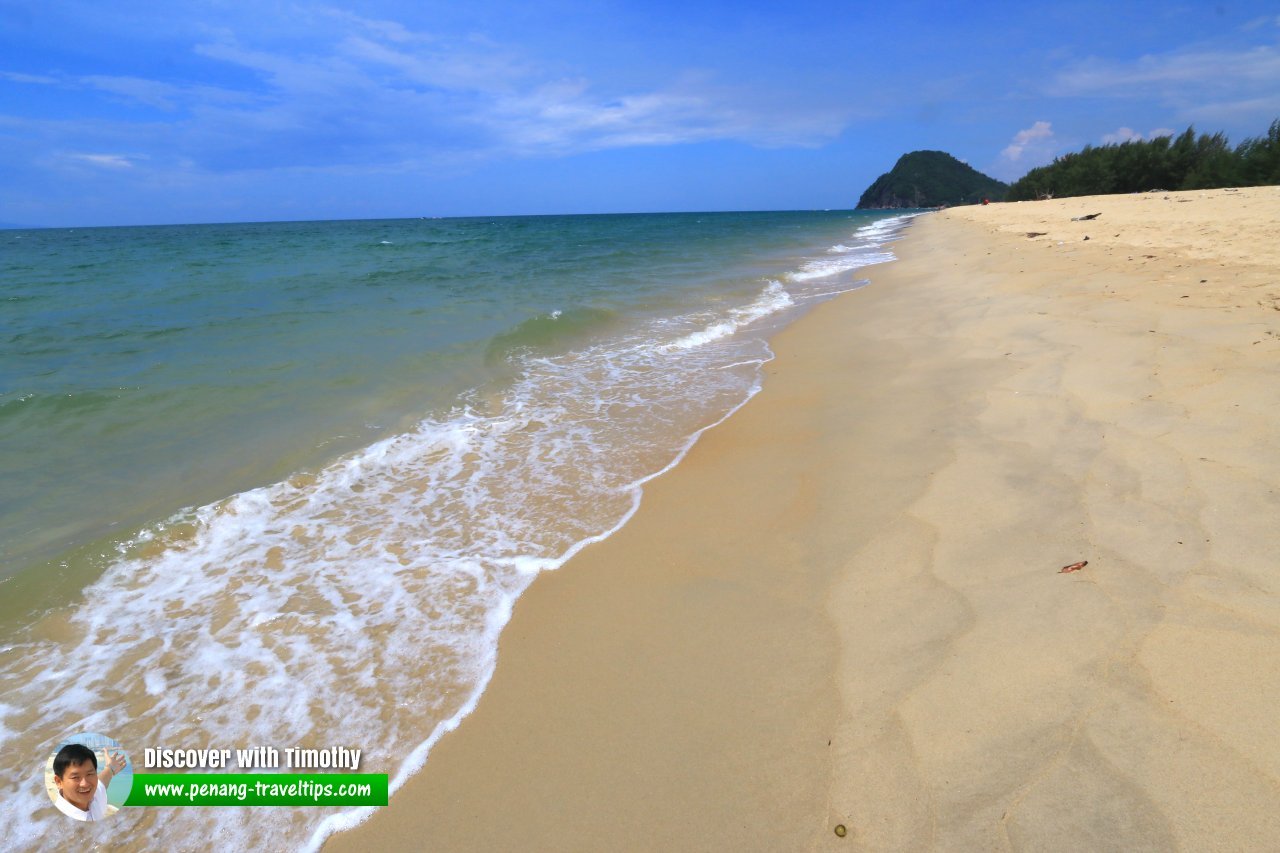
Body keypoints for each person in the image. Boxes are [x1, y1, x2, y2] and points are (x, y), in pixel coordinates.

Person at [51, 742, 126, 821]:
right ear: (59, 782)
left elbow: (102, 781)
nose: (85, 784)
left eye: (89, 774)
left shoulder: (94, 795)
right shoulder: (61, 822)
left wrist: (110, 768)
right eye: (75, 777)